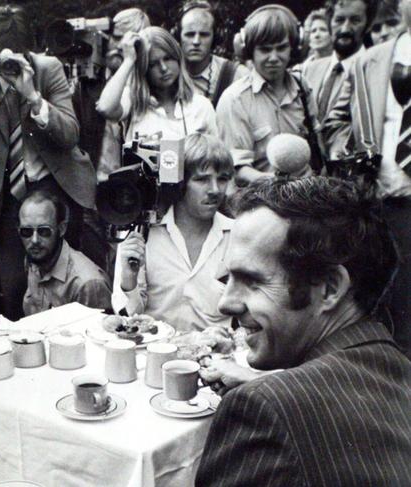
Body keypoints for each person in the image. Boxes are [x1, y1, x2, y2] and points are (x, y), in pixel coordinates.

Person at [195, 177, 411, 486]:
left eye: (252, 280)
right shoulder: (399, 373)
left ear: (330, 288)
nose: (225, 304)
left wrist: (268, 393)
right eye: (227, 279)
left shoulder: (262, 409)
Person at [0, 4, 96, 320]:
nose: (9, 63)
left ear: (31, 51)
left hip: (57, 184)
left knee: (66, 283)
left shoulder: (48, 68)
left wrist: (34, 97)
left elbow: (70, 135)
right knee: (14, 288)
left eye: (18, 55)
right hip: (10, 194)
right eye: (3, 56)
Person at [324, 0, 411, 359]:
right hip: (381, 203)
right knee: (384, 308)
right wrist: (362, 156)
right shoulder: (368, 61)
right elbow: (333, 124)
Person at [112, 133, 233, 332]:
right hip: (157, 351)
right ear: (178, 182)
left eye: (222, 179)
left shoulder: (236, 235)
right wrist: (128, 281)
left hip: (218, 354)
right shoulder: (142, 234)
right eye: (202, 180)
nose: (214, 190)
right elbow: (128, 319)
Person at [216, 5, 318, 187]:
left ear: (294, 48)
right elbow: (236, 170)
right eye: (265, 49)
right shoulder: (235, 99)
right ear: (249, 51)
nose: (274, 57)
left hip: (306, 197)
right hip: (259, 200)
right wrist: (280, 184)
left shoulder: (303, 88)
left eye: (281, 48)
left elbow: (318, 146)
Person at [98, 26, 217, 145]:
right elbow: (105, 107)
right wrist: (128, 60)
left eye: (168, 58)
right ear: (144, 69)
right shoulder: (134, 102)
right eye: (153, 64)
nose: (164, 68)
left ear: (178, 58)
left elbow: (217, 155)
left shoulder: (201, 106)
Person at [19, 190, 111, 315]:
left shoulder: (87, 284)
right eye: (26, 232)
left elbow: (97, 334)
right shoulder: (34, 259)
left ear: (61, 229)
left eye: (44, 231)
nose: (34, 240)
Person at [97, 7, 151, 181]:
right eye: (117, 37)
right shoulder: (89, 79)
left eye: (131, 41)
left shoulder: (149, 86)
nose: (121, 46)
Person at [303, 0, 374, 123]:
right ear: (330, 23)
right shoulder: (309, 70)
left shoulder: (374, 73)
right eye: (339, 20)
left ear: (368, 26)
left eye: (355, 20)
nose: (345, 28)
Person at [176, 0, 248, 107]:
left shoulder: (236, 75)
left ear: (215, 38)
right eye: (189, 34)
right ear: (178, 37)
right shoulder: (168, 73)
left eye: (204, 35)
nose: (196, 41)